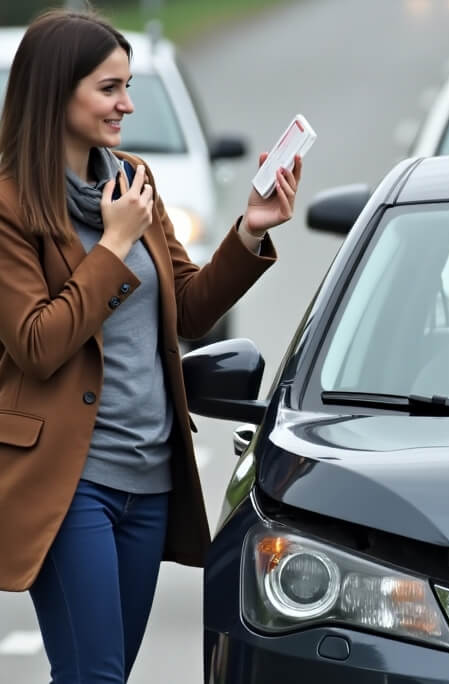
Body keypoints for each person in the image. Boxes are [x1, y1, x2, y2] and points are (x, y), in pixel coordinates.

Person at [0, 9, 303, 683]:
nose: (127, 104)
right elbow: (38, 343)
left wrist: (249, 231)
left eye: (128, 86)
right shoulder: (10, 207)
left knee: (96, 675)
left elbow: (189, 307)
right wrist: (111, 244)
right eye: (110, 88)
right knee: (97, 677)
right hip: (70, 482)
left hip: (150, 479)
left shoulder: (133, 180)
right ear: (57, 92)